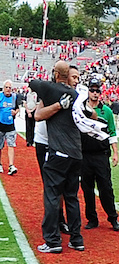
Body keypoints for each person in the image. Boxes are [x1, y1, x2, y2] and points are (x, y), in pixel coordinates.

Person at [29, 61, 85, 253]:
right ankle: (76, 239)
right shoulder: (77, 95)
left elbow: (33, 82)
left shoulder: (50, 88)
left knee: (52, 195)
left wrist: (52, 96)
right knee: (71, 197)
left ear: (55, 74)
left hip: (59, 151)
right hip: (76, 153)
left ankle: (52, 241)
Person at [81, 77, 119, 231]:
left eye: (98, 90)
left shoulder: (107, 111)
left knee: (106, 189)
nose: (95, 93)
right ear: (88, 91)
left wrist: (115, 153)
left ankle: (113, 218)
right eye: (92, 90)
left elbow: (112, 133)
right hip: (85, 155)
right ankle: (92, 219)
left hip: (101, 155)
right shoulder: (81, 109)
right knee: (87, 190)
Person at [0, 80, 22, 175]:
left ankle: (11, 165)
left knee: (11, 145)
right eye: (7, 87)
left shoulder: (14, 97)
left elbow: (18, 108)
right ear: (3, 88)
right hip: (0, 125)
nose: (8, 89)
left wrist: (16, 112)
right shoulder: (0, 97)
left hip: (10, 125)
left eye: (10, 87)